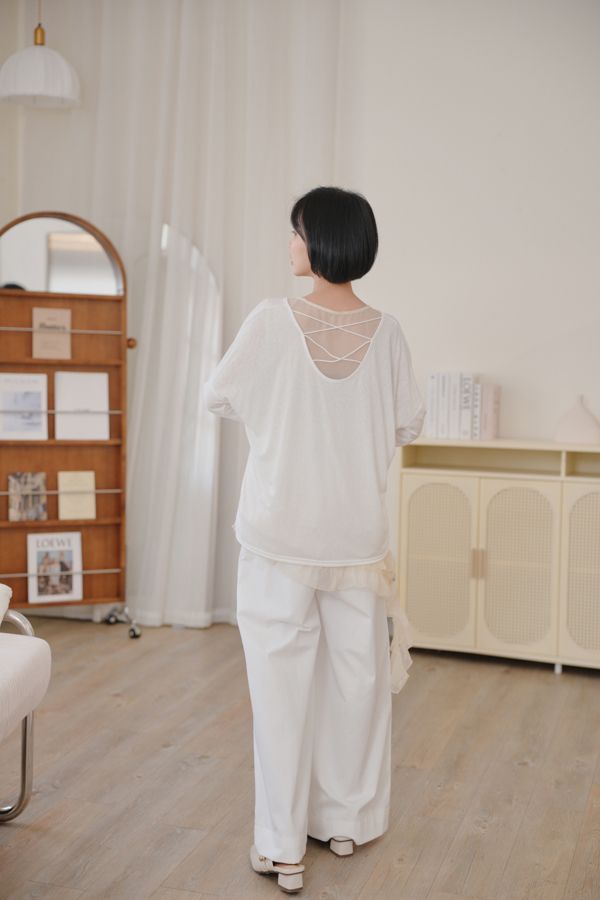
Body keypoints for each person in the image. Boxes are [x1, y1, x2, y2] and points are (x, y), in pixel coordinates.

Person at [203, 185, 426, 894]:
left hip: (280, 532)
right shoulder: (388, 332)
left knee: (280, 687)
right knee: (355, 682)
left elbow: (218, 394)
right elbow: (408, 422)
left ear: (321, 240)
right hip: (355, 536)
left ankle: (282, 847)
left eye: (296, 232)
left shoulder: (272, 320)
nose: (291, 244)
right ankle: (345, 822)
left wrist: (283, 413)